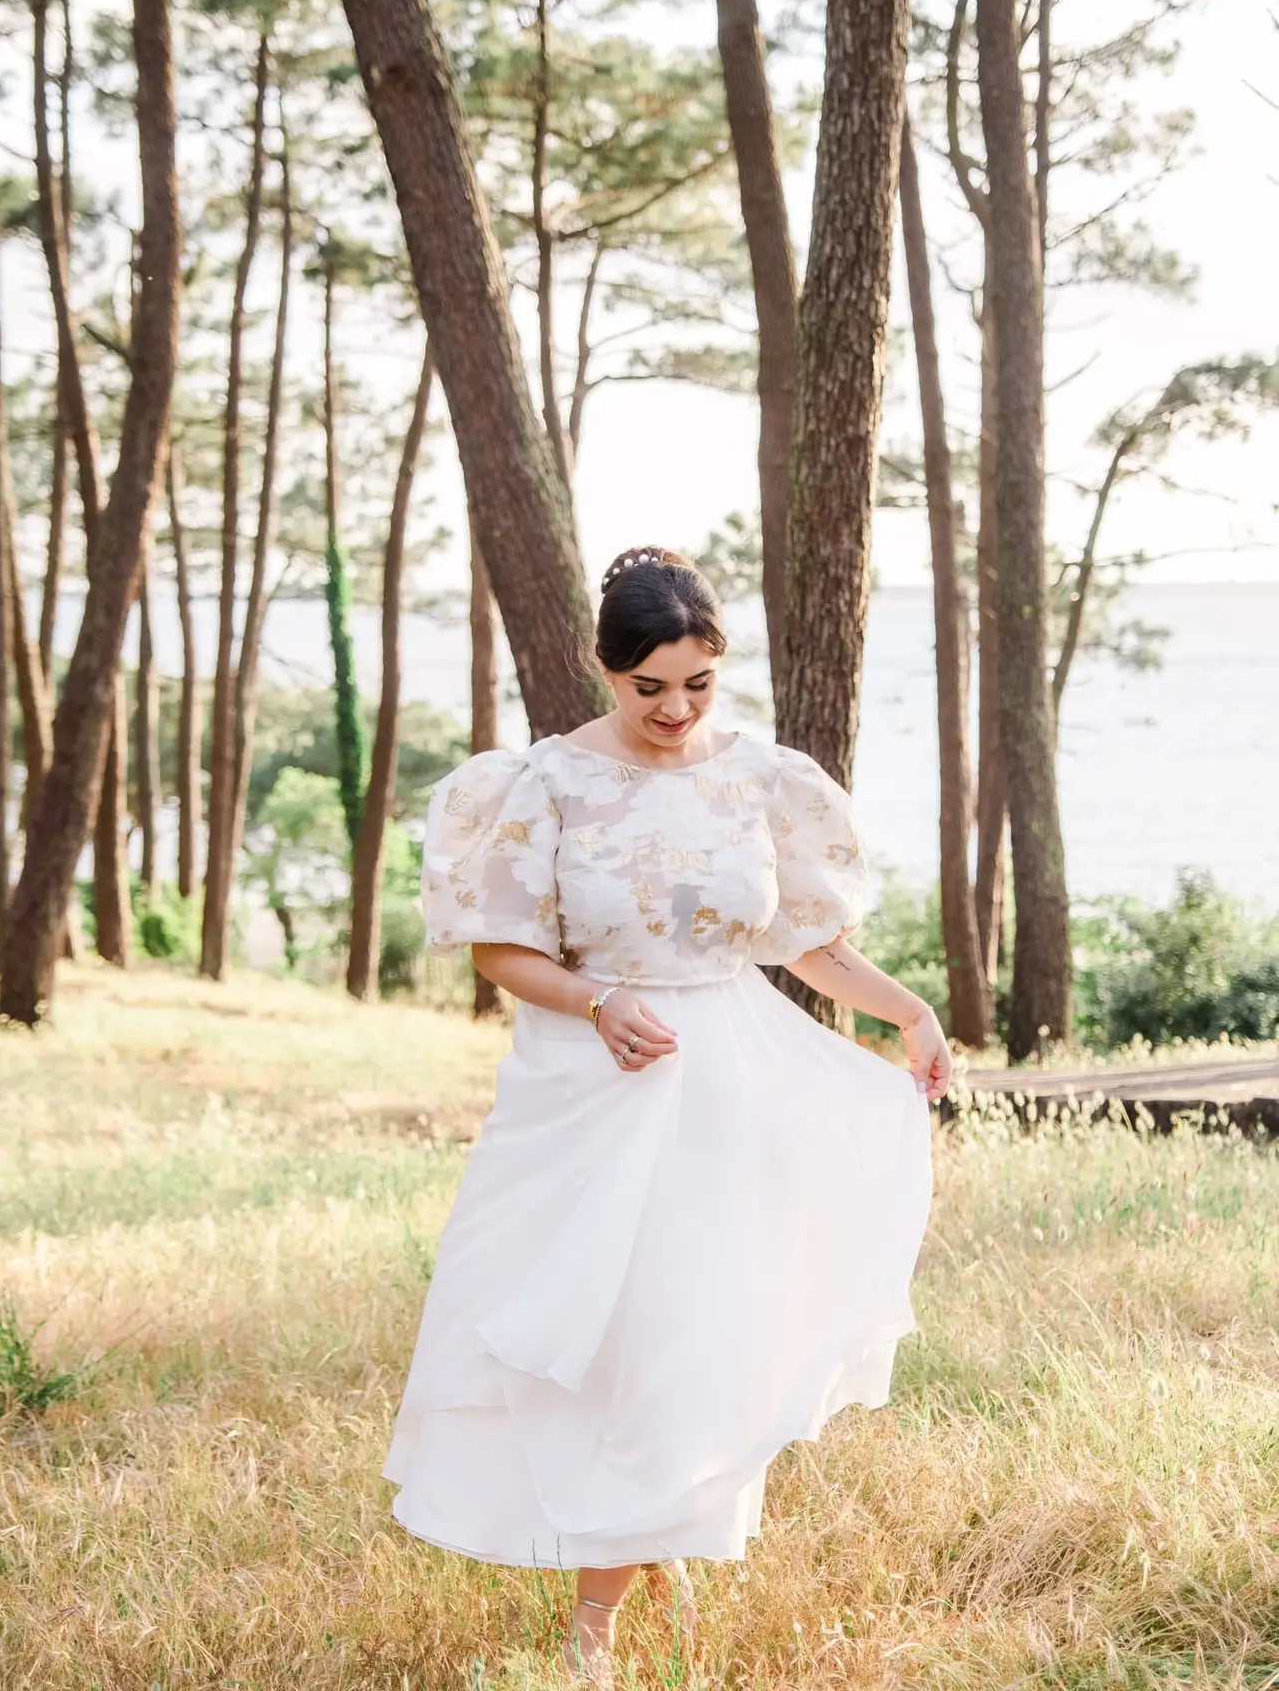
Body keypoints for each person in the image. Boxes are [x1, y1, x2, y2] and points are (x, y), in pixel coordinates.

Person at [383, 545, 952, 1684]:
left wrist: (909, 1011)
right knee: (598, 1333)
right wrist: (597, 1002)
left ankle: (633, 1563)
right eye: (649, 687)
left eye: (697, 683)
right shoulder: (545, 783)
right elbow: (501, 950)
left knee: (695, 1328)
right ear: (605, 669)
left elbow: (804, 943)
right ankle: (610, 1583)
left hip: (729, 1075)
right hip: (592, 1082)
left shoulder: (761, 778)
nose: (676, 710)